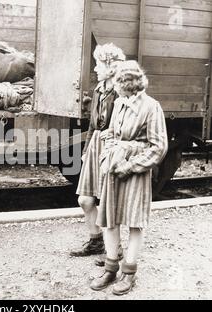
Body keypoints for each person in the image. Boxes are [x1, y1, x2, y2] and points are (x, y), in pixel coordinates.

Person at [90, 60, 168, 295]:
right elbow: (111, 133)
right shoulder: (121, 103)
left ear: (131, 85)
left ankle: (129, 273)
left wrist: (130, 164)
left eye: (121, 87)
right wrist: (110, 154)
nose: (118, 92)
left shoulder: (151, 107)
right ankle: (110, 268)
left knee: (134, 224)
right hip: (115, 167)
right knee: (110, 220)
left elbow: (158, 147)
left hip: (135, 171)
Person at [70, 44, 125, 258]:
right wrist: (86, 150)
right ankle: (96, 243)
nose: (95, 69)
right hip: (95, 145)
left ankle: (115, 250)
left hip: (111, 146)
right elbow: (93, 125)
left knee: (108, 203)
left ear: (110, 67)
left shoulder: (120, 92)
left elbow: (124, 124)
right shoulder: (98, 89)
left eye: (98, 65)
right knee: (85, 200)